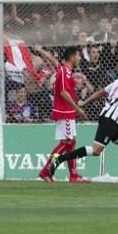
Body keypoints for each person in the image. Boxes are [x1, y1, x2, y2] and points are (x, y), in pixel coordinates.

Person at [38, 46, 89, 183]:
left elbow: (53, 60)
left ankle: (73, 175)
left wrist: (40, 50)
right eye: (78, 56)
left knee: (70, 143)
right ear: (72, 57)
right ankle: (46, 171)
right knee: (68, 142)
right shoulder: (64, 72)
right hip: (65, 111)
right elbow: (63, 93)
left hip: (67, 111)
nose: (79, 58)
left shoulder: (64, 70)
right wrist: (77, 109)